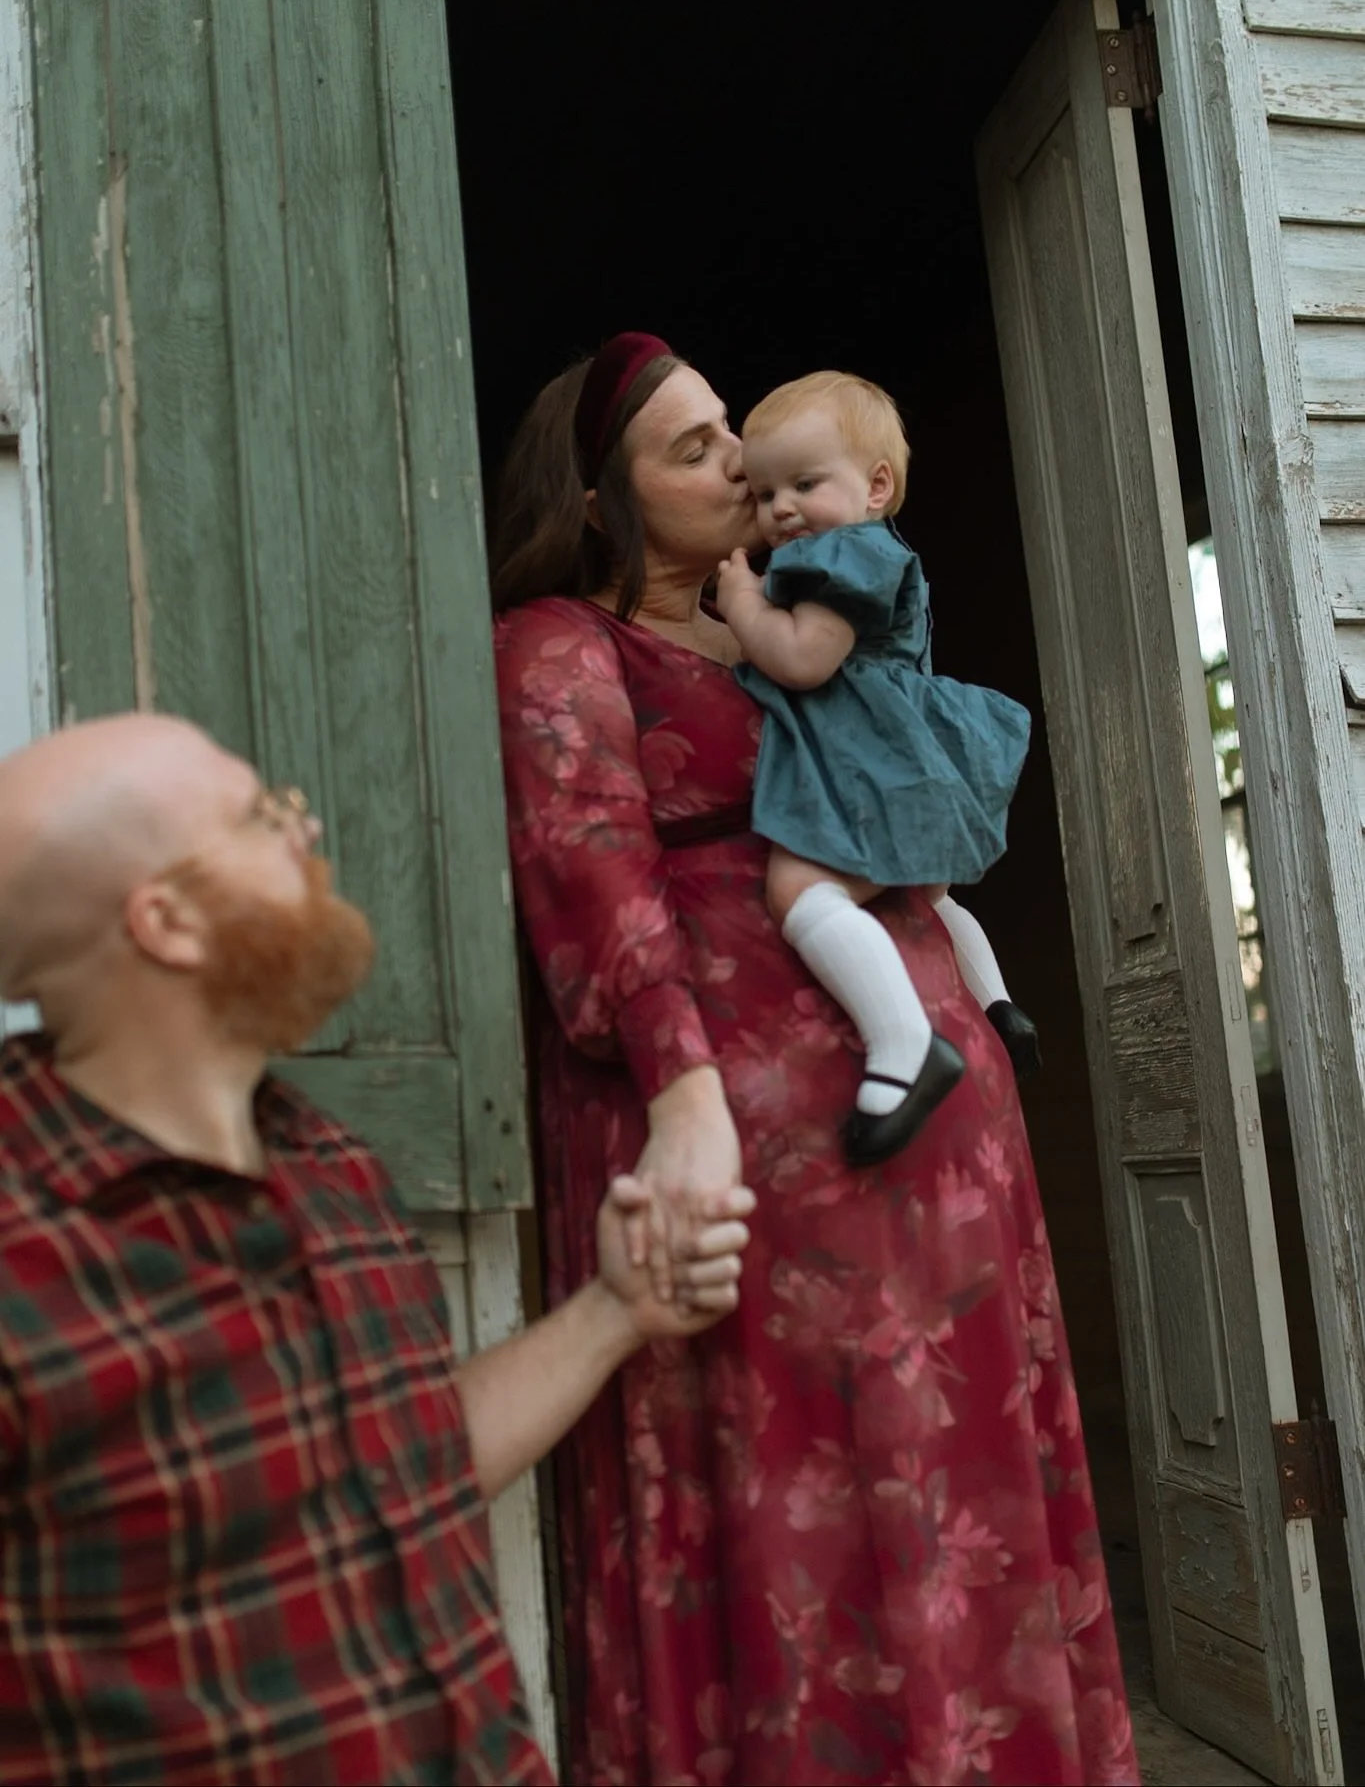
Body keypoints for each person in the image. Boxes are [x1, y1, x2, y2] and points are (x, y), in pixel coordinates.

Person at [491, 331, 1138, 1786]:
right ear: (602, 501)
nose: (735, 463)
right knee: (812, 1497)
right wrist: (683, 1094)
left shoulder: (804, 614)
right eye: (692, 447)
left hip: (937, 1140)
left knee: (950, 1477)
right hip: (757, 1152)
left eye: (732, 430)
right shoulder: (563, 643)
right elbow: (589, 876)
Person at [0, 712, 755, 1786]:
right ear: (167, 920)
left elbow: (405, 1463)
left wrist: (611, 1312)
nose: (307, 834)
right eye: (263, 818)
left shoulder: (328, 1162)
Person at [713, 369, 1038, 1169]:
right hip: (901, 751)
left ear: (875, 486)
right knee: (928, 892)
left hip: (875, 760)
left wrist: (743, 604)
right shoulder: (873, 548)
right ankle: (997, 1005)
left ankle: (903, 1043)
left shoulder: (845, 556)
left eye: (804, 483)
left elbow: (802, 659)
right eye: (761, 494)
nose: (780, 508)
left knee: (800, 887)